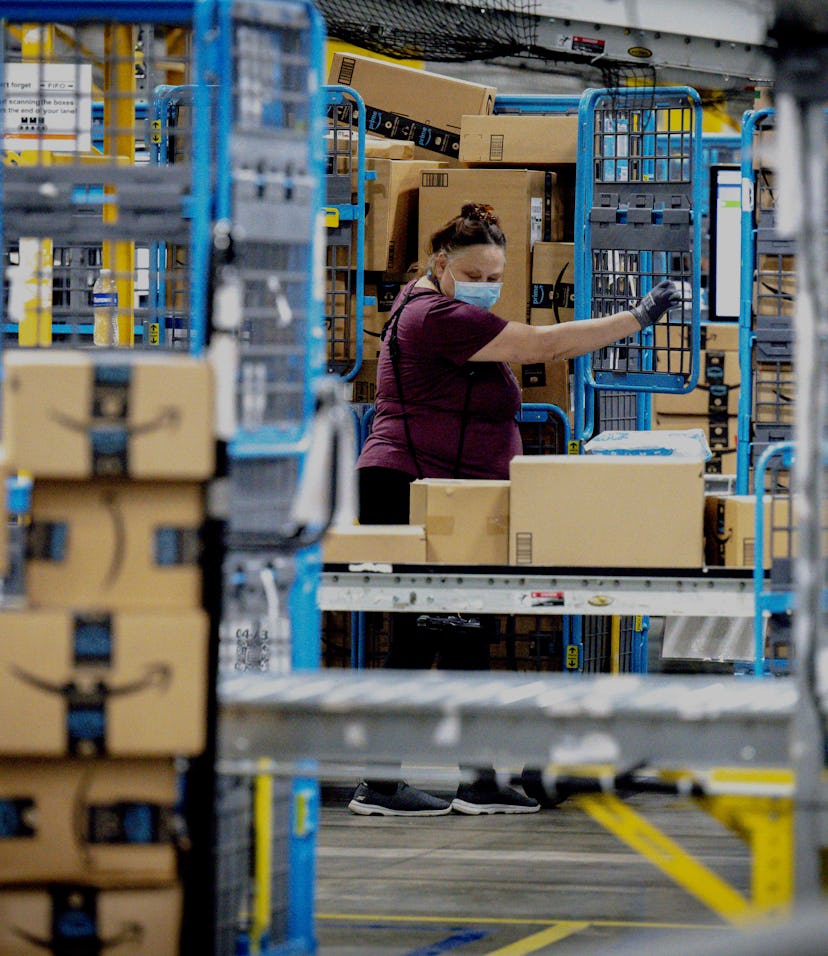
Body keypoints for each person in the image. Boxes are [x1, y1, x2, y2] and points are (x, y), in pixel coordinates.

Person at [348, 202, 681, 817]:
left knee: (467, 632)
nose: (487, 286)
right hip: (421, 487)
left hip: (447, 489)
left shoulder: (429, 305)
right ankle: (382, 785)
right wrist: (634, 318)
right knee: (423, 637)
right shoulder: (434, 315)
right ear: (442, 264)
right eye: (476, 274)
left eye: (495, 274)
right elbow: (544, 344)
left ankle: (476, 782)